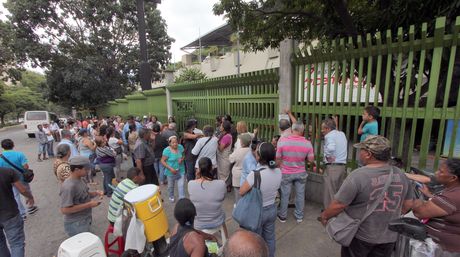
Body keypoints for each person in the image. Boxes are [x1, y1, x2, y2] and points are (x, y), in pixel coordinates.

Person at [320, 135, 413, 257]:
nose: (360, 153)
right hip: (389, 237)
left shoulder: (358, 176)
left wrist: (325, 216)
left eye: (362, 150)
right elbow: (408, 205)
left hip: (360, 237)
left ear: (368, 154)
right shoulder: (401, 175)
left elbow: (338, 204)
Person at [240, 142, 281, 257]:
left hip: (257, 211)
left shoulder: (255, 174)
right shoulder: (278, 171)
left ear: (259, 156)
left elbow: (241, 191)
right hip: (272, 208)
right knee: (270, 238)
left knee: (256, 240)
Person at [412, 158, 460, 255]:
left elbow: (420, 212)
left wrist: (415, 201)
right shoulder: (453, 191)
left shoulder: (452, 197)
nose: (436, 172)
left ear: (453, 178)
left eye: (441, 171)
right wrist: (430, 196)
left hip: (445, 249)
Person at [276, 122, 314, 223]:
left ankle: (283, 216)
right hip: (301, 172)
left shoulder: (282, 141)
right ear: (302, 131)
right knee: (300, 194)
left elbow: (278, 158)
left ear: (292, 130)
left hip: (286, 172)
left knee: (285, 194)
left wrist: (281, 166)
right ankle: (299, 216)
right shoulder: (307, 143)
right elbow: (311, 160)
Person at [60, 156, 103, 236]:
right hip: (76, 223)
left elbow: (84, 194)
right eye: (86, 169)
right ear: (77, 169)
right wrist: (89, 204)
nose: (88, 171)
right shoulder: (69, 187)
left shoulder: (81, 179)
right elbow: (65, 210)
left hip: (85, 218)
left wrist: (95, 193)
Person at [0, 165, 35, 257]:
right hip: (10, 214)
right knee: (16, 244)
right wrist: (30, 196)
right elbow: (22, 189)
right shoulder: (7, 171)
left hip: (9, 215)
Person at [0, 139, 38, 220]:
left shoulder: (1, 157)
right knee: (26, 191)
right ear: (13, 145)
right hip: (20, 178)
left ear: (2, 147)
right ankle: (31, 207)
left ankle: (22, 213)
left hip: (8, 180)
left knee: (15, 196)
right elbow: (25, 167)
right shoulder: (19, 154)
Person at [188, 157, 227, 233]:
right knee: (222, 214)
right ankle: (226, 240)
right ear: (211, 168)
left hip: (198, 224)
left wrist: (196, 176)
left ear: (199, 169)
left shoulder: (191, 184)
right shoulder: (221, 184)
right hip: (217, 221)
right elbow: (222, 198)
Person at [320, 117, 348, 210]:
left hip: (333, 167)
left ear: (328, 129)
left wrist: (328, 157)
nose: (322, 130)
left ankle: (328, 214)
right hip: (342, 166)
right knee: (339, 191)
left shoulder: (329, 136)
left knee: (329, 192)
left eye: (323, 128)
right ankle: (337, 211)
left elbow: (331, 148)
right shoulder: (341, 134)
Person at [161, 136, 185, 202]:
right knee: (171, 186)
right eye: (173, 142)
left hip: (180, 169)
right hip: (170, 172)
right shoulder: (166, 150)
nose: (175, 144)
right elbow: (162, 161)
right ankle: (171, 196)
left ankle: (181, 198)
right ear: (169, 143)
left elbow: (183, 155)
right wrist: (171, 169)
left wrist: (182, 159)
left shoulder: (180, 147)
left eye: (176, 142)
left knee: (181, 185)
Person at [229, 133, 252, 203]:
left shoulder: (238, 151)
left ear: (242, 142)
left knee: (238, 195)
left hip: (237, 175)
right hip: (248, 175)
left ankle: (238, 210)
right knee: (247, 194)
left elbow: (231, 159)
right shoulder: (251, 151)